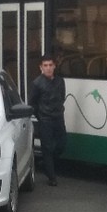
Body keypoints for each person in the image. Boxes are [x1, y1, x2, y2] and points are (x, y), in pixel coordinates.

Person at [30, 53, 66, 186]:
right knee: (47, 147)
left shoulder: (60, 81)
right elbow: (32, 103)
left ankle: (47, 163)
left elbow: (62, 97)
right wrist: (41, 117)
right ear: (41, 67)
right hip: (45, 120)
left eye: (51, 65)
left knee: (62, 144)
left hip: (58, 118)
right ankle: (51, 176)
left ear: (54, 66)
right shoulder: (37, 83)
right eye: (45, 65)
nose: (48, 68)